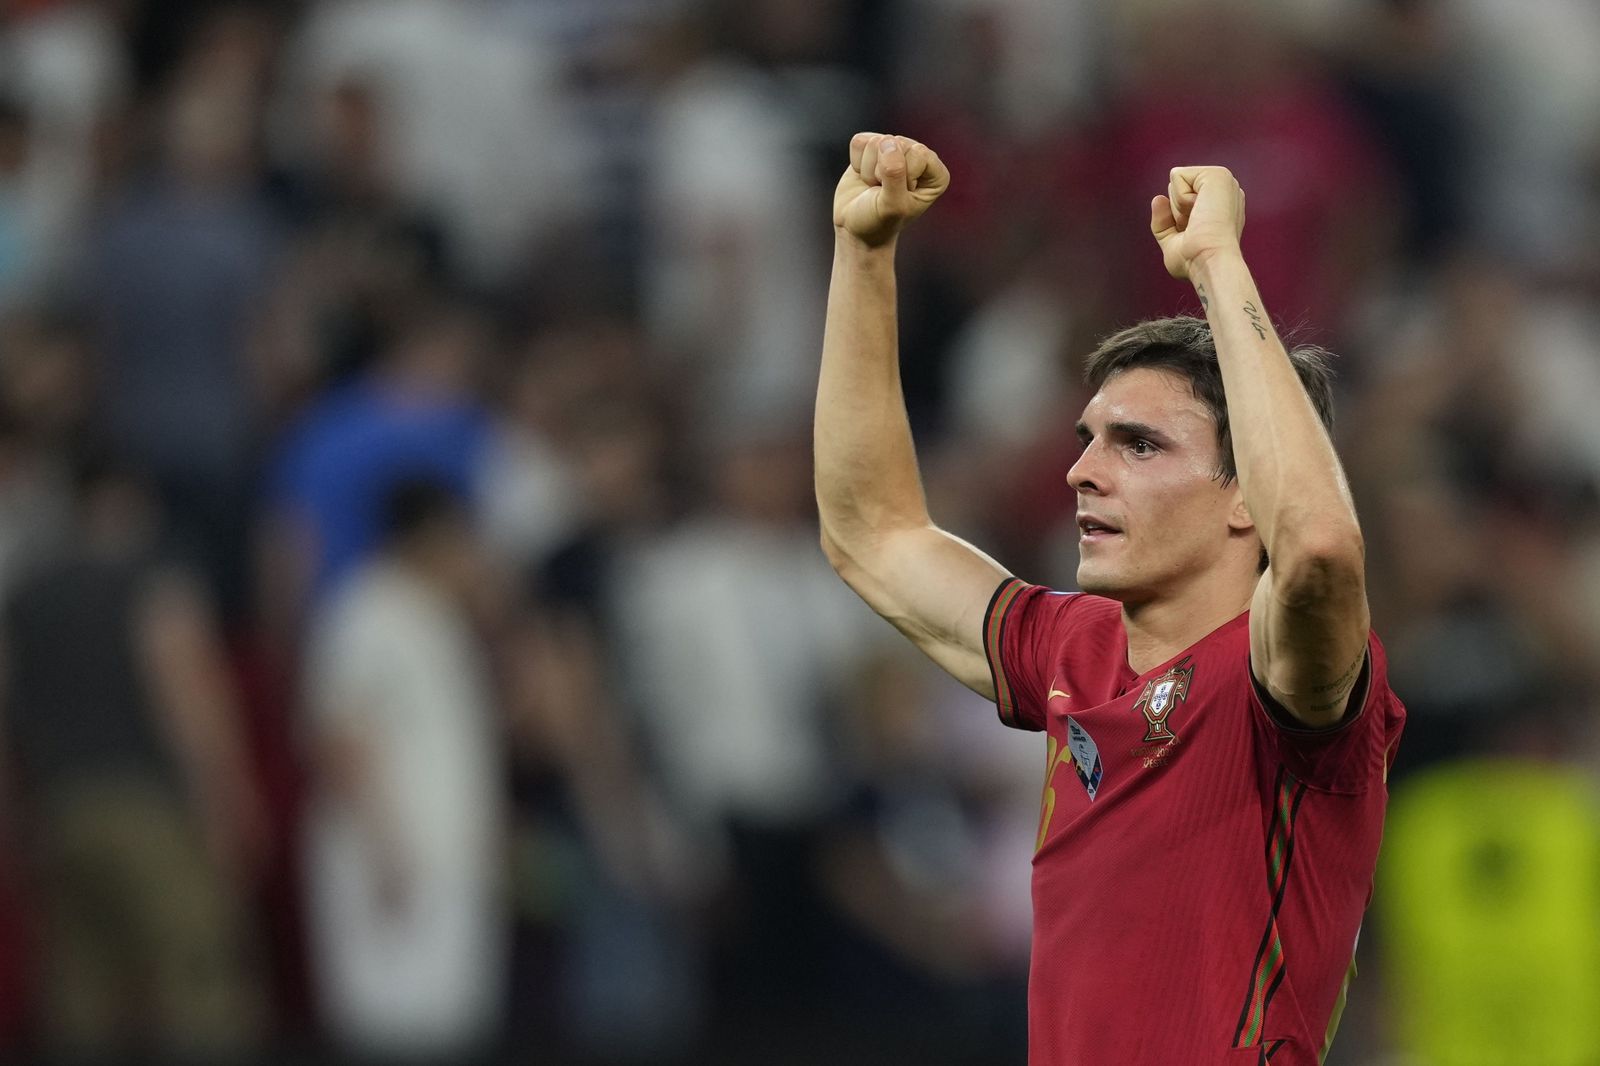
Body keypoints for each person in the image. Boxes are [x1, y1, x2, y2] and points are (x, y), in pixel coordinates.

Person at [815, 132, 1406, 1064]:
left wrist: (1218, 265)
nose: (1082, 472)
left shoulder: (1285, 679)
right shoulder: (1071, 649)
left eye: (1139, 445)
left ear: (1246, 496)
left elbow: (1321, 548)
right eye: (1088, 439)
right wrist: (864, 252)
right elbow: (872, 534)